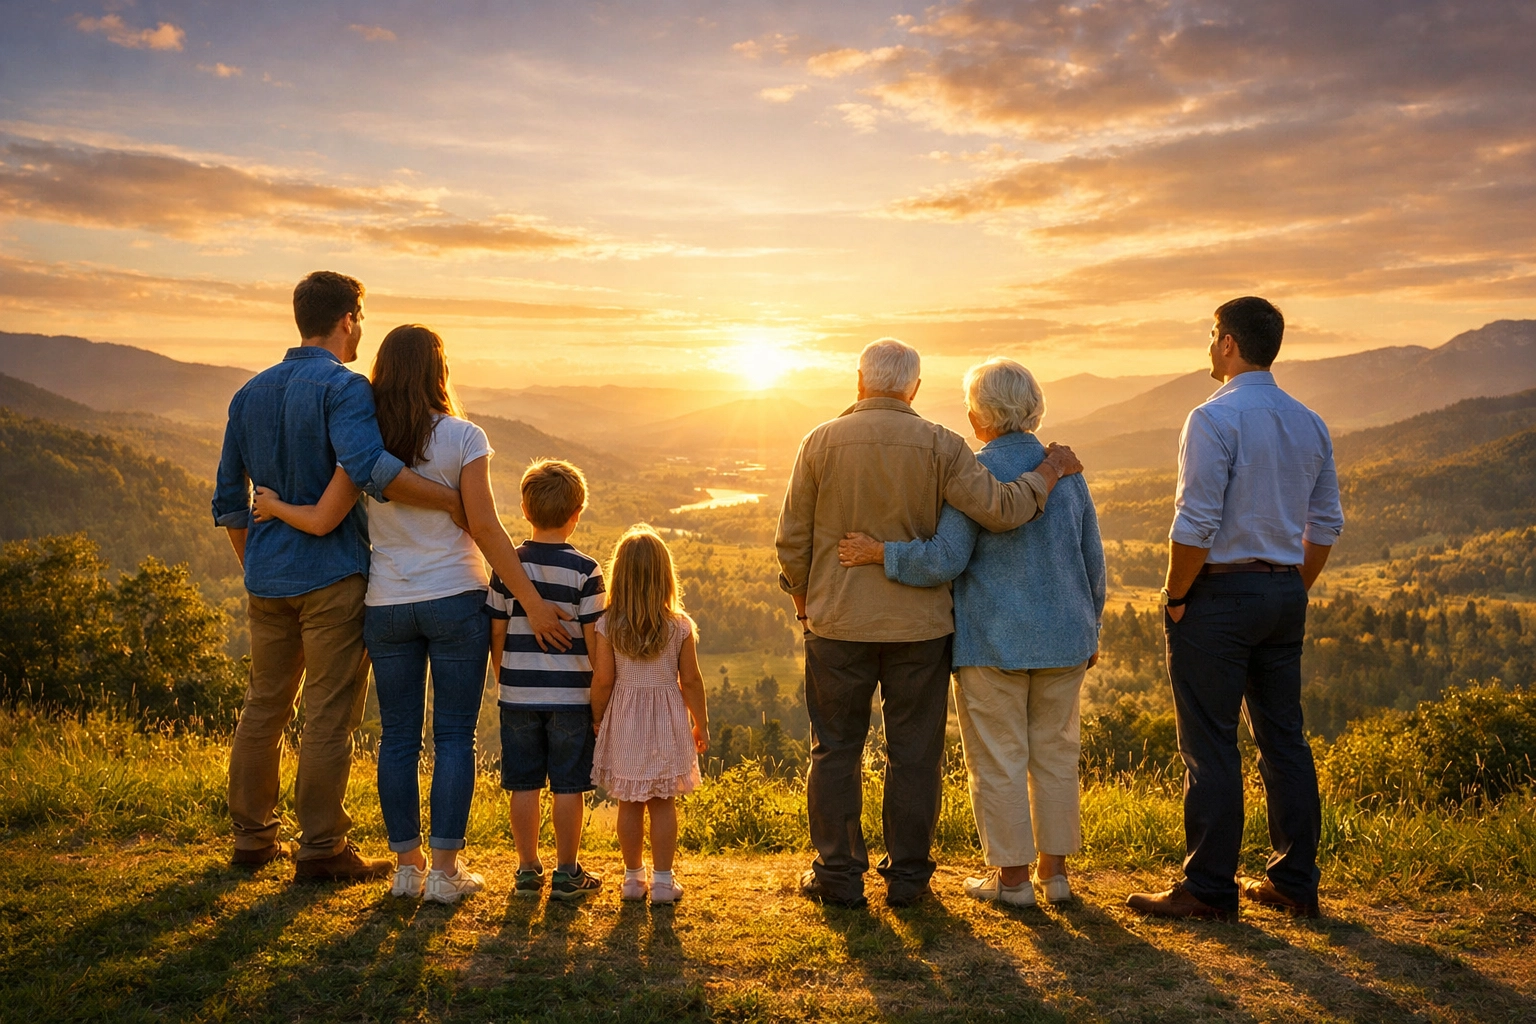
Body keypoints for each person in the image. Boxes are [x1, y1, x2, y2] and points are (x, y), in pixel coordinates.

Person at [248, 321, 569, 899]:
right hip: (455, 600)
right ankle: (445, 873)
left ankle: (406, 869)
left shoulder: (366, 447)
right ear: (438, 371)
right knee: (454, 736)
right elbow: (486, 528)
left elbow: (323, 517)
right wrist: (534, 602)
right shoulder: (464, 438)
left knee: (398, 737)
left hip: (387, 604)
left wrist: (273, 506)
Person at [775, 337, 1084, 909]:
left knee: (835, 751)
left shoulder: (818, 442)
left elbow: (792, 540)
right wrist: (1049, 469)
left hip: (837, 623)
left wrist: (803, 604)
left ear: (859, 380)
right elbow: (1003, 510)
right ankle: (909, 878)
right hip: (919, 630)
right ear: (913, 388)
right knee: (914, 755)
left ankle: (838, 875)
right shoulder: (943, 445)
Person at [214, 272, 468, 880]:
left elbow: (228, 500)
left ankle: (252, 837)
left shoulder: (248, 393)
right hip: (333, 577)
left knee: (264, 705)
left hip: (267, 579)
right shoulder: (345, 388)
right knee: (327, 713)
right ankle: (322, 847)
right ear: (348, 319)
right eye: (361, 320)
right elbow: (372, 468)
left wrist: (259, 566)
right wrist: (449, 499)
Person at [1128, 297, 1343, 921]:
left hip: (1219, 596)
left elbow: (1195, 522)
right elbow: (1326, 522)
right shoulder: (1310, 422)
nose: (1208, 345)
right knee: (1284, 740)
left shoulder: (1211, 418)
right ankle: (1294, 882)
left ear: (1227, 342)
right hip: (1284, 593)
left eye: (1211, 334)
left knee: (1211, 744)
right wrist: (1291, 585)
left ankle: (1208, 889)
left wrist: (1176, 595)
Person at [485, 459, 607, 902]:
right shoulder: (586, 571)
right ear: (577, 514)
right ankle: (567, 872)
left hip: (518, 693)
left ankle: (526, 869)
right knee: (569, 785)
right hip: (572, 697)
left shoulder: (507, 567)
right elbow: (595, 641)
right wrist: (599, 697)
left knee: (524, 782)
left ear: (524, 509)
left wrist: (503, 676)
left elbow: (496, 631)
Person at [589, 525, 710, 905]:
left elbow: (603, 679)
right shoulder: (679, 626)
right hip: (667, 722)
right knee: (662, 802)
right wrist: (701, 723)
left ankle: (631, 878)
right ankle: (662, 882)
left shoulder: (608, 625)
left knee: (628, 802)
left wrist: (598, 718)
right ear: (665, 576)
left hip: (625, 721)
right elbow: (691, 680)